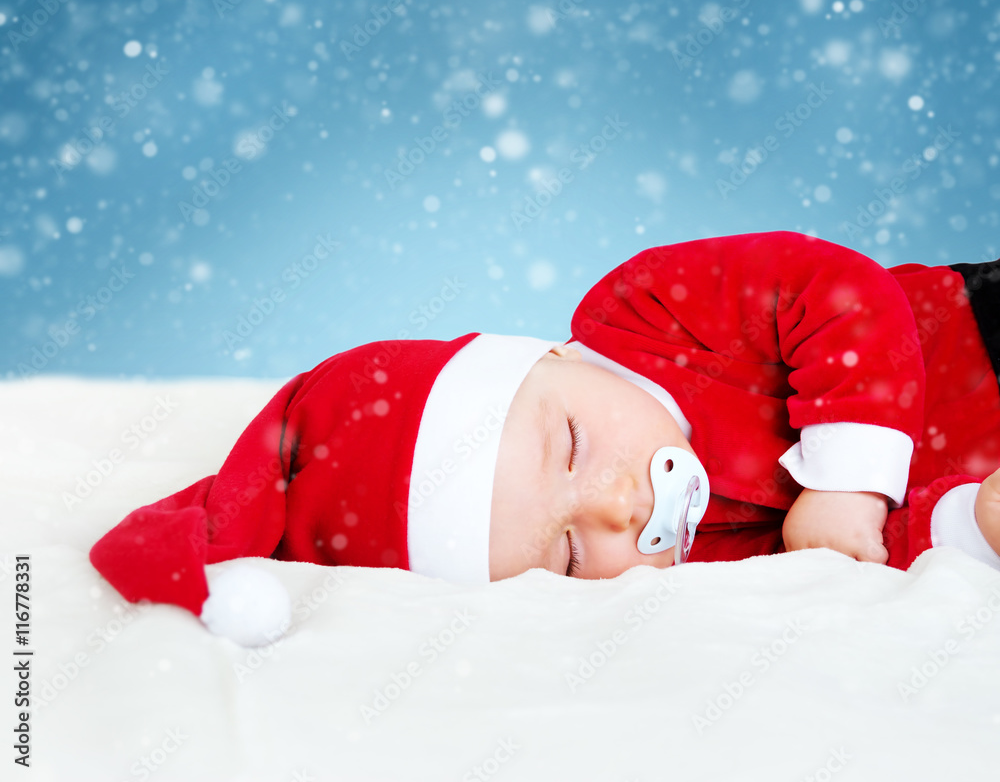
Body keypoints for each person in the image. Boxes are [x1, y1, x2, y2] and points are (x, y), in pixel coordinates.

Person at [90, 230, 1000, 632]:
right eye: (567, 554)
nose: (617, 504)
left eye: (570, 446)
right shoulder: (687, 577)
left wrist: (847, 480)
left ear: (555, 357)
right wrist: (965, 529)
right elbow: (864, 557)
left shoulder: (643, 315)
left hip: (970, 336)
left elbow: (837, 292)